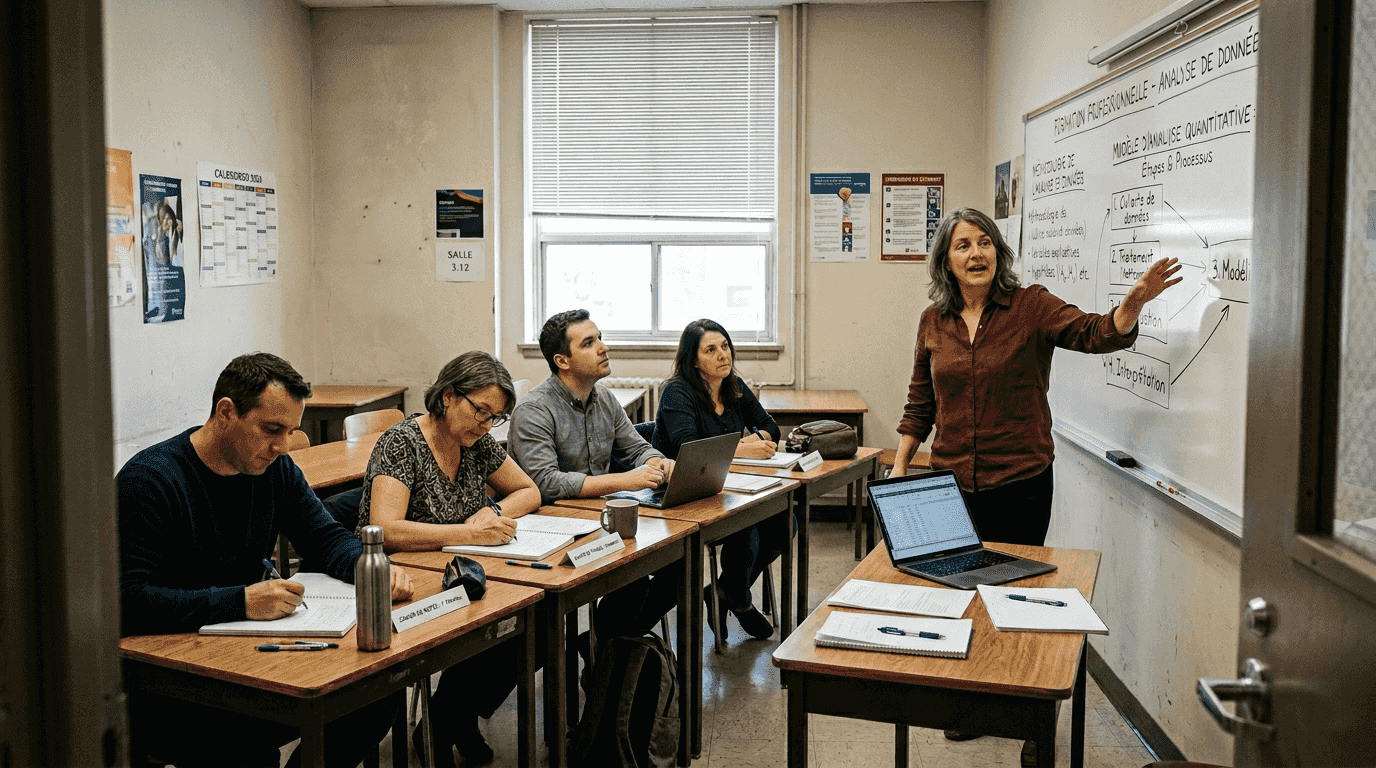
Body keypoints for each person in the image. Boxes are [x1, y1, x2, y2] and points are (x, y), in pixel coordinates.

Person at [888, 208, 1180, 765]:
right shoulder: (933, 320)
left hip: (1019, 479)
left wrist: (1131, 306)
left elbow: (1094, 333)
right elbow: (920, 402)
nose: (975, 254)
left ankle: (1031, 720)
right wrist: (902, 465)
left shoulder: (1031, 307)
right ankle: (973, 705)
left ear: (998, 251)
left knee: (1016, 601)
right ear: (945, 261)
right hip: (948, 483)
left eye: (984, 243)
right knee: (962, 597)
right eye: (962, 246)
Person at [118, 352, 415, 768]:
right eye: (271, 429)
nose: (281, 446)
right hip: (175, 676)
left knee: (371, 701)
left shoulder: (274, 470)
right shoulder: (150, 482)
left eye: (291, 431)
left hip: (250, 653)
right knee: (245, 747)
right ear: (226, 412)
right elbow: (128, 602)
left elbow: (324, 536)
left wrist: (371, 570)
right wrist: (239, 602)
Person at [359, 350, 541, 768]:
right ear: (447, 396)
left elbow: (528, 491)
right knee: (494, 629)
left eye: (494, 417)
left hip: (464, 572)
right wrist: (469, 533)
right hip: (406, 581)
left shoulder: (475, 443)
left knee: (537, 627)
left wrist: (496, 513)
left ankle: (449, 717)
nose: (486, 423)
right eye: (481, 410)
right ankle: (448, 721)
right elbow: (385, 528)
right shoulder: (402, 443)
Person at [507, 309, 680, 648]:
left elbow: (635, 448)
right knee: (635, 572)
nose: (603, 347)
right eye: (589, 342)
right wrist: (626, 480)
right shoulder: (534, 410)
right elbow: (546, 484)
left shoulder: (604, 399)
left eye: (600, 338)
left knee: (675, 564)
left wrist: (659, 462)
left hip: (596, 522)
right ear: (562, 360)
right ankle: (600, 647)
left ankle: (605, 644)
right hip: (549, 531)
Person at [652, 318, 784, 641]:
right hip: (678, 494)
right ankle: (739, 601)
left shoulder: (733, 386)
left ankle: (724, 589)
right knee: (746, 527)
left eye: (725, 346)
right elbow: (691, 451)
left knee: (787, 520)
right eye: (711, 349)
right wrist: (745, 449)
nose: (723, 355)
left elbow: (772, 429)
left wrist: (743, 446)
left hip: (725, 487)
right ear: (693, 360)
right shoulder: (677, 392)